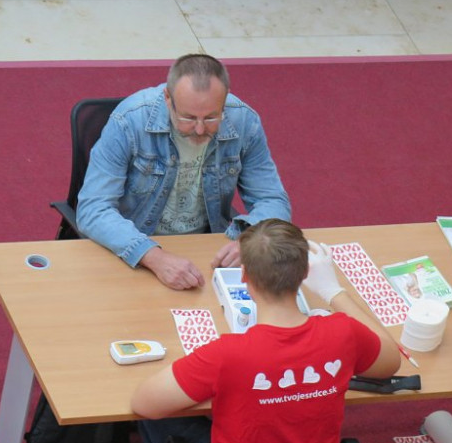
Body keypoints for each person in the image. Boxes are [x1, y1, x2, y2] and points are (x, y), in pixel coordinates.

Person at [130, 219, 401, 443]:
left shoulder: (228, 354)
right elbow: (390, 361)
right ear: (305, 274)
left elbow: (144, 403)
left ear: (244, 277)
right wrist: (334, 291)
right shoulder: (344, 333)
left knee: (160, 421)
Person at [76, 53, 291, 291]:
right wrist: (153, 256)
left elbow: (273, 200)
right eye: (188, 117)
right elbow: (93, 208)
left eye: (211, 118)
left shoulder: (245, 121)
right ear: (168, 98)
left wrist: (251, 242)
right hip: (135, 245)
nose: (199, 129)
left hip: (206, 248)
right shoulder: (128, 121)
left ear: (225, 100)